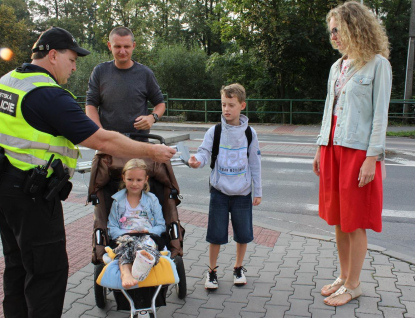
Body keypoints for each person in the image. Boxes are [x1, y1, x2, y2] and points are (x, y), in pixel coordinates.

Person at [0, 27, 175, 318]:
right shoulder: (48, 94)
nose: (74, 65)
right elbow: (102, 139)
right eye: (71, 58)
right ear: (53, 55)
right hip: (33, 198)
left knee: (17, 265)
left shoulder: (8, 81)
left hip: (6, 190)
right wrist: (152, 152)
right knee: (47, 272)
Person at [312, 1, 392, 307]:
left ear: (354, 27)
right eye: (330, 31)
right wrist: (321, 147)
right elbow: (327, 112)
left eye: (338, 30)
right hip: (332, 149)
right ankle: (344, 277)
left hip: (358, 153)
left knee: (355, 221)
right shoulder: (337, 67)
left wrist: (373, 157)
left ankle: (355, 284)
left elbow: (380, 117)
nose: (333, 36)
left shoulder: (377, 64)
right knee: (338, 219)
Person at [188, 83, 262, 289]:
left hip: (243, 193)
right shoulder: (215, 131)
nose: (226, 109)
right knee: (216, 234)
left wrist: (258, 191)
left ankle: (238, 268)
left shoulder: (250, 134)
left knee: (243, 233)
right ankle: (212, 272)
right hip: (219, 192)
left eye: (231, 105)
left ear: (242, 106)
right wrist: (197, 161)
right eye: (223, 105)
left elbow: (255, 164)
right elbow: (204, 152)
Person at [85, 26, 165, 138]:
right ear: (109, 46)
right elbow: (91, 104)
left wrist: (152, 117)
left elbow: (160, 103)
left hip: (138, 143)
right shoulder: (100, 71)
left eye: (126, 46)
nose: (122, 51)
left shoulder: (145, 73)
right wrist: (99, 132)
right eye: (117, 46)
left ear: (133, 46)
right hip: (108, 142)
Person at [107, 159, 166, 288]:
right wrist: (126, 233)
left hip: (148, 236)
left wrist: (148, 232)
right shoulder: (117, 201)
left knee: (146, 246)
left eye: (139, 180)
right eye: (130, 179)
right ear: (123, 178)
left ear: (146, 179)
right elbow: (112, 227)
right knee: (126, 244)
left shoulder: (151, 199)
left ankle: (140, 262)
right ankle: (126, 273)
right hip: (125, 236)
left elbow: (161, 225)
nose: (134, 184)